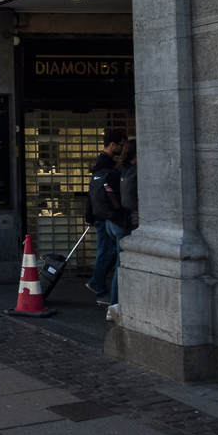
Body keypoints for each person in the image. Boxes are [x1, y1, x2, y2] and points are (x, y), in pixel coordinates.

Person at [85, 128, 127, 306]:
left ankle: (96, 281)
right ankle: (99, 288)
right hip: (104, 215)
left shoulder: (104, 162)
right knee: (106, 253)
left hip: (101, 214)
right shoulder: (104, 164)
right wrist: (90, 215)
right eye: (121, 145)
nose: (123, 149)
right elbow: (93, 192)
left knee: (108, 252)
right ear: (112, 144)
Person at [107, 140, 138, 324]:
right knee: (121, 266)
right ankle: (114, 306)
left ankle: (115, 304)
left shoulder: (120, 169)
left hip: (112, 221)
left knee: (118, 262)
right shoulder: (135, 171)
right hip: (124, 223)